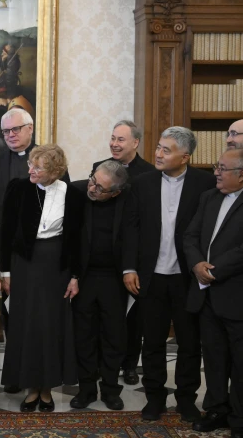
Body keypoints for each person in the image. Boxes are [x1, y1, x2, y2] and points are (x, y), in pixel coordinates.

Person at [122, 126, 215, 422]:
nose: (158, 154)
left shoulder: (205, 184)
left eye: (166, 150)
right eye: (158, 147)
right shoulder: (142, 183)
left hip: (187, 277)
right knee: (152, 342)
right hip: (150, 276)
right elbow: (130, 229)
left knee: (189, 342)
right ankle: (155, 398)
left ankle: (186, 399)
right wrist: (129, 267)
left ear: (185, 157)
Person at [0, 108, 68, 394]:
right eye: (5, 131)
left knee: (40, 317)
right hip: (4, 248)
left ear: (30, 129)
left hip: (42, 255)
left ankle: (39, 377)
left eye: (16, 129)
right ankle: (17, 373)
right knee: (11, 315)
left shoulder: (51, 161)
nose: (11, 136)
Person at [0, 144, 83, 412]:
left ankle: (46, 388)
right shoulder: (19, 188)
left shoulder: (72, 194)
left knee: (50, 325)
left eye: (38, 166)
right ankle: (30, 387)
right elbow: (7, 232)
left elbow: (76, 240)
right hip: (23, 264)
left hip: (55, 265)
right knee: (26, 324)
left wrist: (74, 276)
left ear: (56, 170)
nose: (31, 169)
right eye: (31, 164)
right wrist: (5, 272)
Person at [184, 148, 243, 438]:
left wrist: (215, 270)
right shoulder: (208, 197)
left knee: (242, 361)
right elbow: (190, 236)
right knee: (213, 357)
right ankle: (216, 408)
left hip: (238, 295)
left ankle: (242, 417)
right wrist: (198, 264)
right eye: (216, 166)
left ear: (242, 174)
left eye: (222, 168)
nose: (216, 173)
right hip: (206, 293)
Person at [91, 120, 155, 386]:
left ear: (135, 143)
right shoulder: (100, 168)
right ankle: (99, 365)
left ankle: (129, 364)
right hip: (104, 255)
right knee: (102, 317)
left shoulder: (148, 172)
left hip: (133, 256)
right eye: (113, 138)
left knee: (132, 317)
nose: (114, 144)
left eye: (121, 140)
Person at [70, 161, 129, 411]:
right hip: (83, 277)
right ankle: (85, 389)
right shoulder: (76, 193)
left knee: (113, 336)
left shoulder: (128, 201)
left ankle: (110, 389)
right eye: (92, 180)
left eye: (100, 188)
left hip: (114, 279)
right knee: (83, 335)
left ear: (115, 192)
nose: (92, 188)